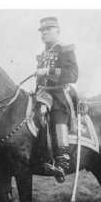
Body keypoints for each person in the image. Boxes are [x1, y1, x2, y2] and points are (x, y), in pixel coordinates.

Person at [35, 16, 79, 183]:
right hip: (44, 94)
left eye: (48, 30)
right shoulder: (43, 53)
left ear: (57, 31)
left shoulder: (65, 49)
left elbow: (73, 75)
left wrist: (47, 71)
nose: (44, 33)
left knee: (57, 116)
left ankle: (62, 160)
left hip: (60, 94)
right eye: (42, 30)